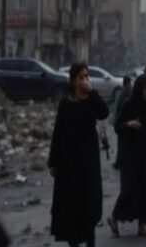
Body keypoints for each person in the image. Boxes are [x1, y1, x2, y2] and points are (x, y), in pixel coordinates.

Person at [49, 62, 110, 247]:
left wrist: (92, 92)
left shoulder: (91, 100)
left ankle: (90, 242)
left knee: (89, 206)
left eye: (87, 76)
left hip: (88, 164)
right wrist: (53, 161)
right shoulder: (65, 103)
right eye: (81, 77)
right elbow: (58, 132)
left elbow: (104, 113)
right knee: (70, 208)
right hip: (68, 165)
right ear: (73, 80)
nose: (84, 80)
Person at [108, 75, 146, 237]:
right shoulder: (129, 104)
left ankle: (142, 225)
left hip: (144, 155)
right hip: (130, 155)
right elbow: (117, 126)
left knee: (145, 189)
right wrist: (129, 124)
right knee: (129, 189)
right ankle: (114, 217)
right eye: (144, 89)